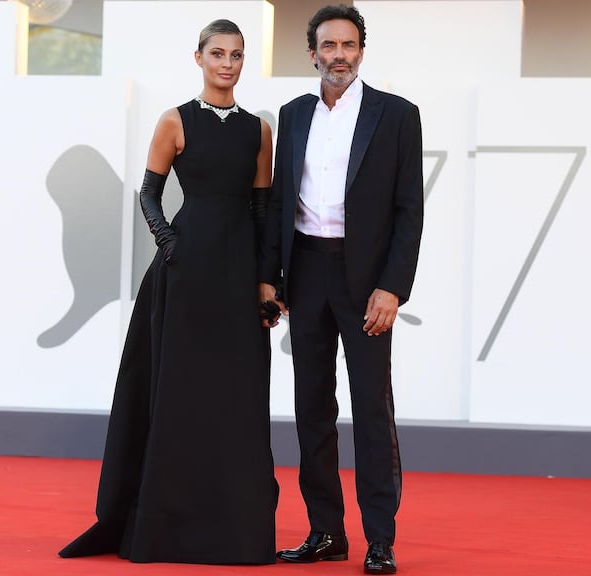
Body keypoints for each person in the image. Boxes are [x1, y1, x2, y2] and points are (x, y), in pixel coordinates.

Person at [59, 19, 277, 565]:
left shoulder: (258, 130)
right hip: (183, 275)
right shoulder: (175, 121)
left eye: (237, 55)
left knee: (237, 398)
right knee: (179, 393)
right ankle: (166, 527)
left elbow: (261, 210)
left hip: (236, 275)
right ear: (199, 57)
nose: (228, 63)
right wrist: (170, 244)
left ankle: (236, 530)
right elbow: (149, 193)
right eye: (218, 54)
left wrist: (266, 285)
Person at [258, 5, 423, 575]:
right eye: (328, 45)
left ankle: (381, 538)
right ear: (313, 53)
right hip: (305, 273)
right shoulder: (294, 114)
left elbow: (409, 212)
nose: (338, 55)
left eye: (348, 45)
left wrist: (392, 288)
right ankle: (326, 531)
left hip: (366, 281)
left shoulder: (397, 115)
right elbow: (281, 202)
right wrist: (272, 279)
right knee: (312, 409)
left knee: (372, 413)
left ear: (361, 51)